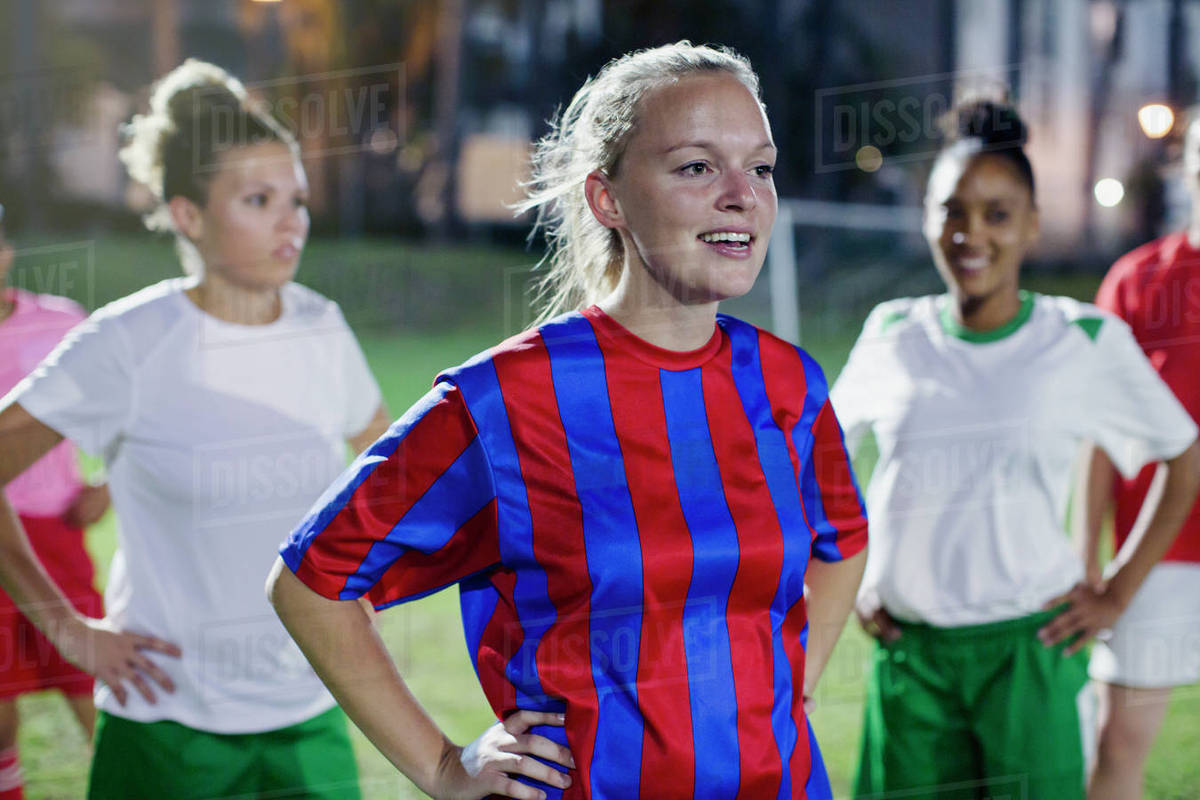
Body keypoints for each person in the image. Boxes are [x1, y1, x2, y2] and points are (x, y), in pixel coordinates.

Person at [268, 41, 868, 800]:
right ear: (606, 199)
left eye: (760, 166)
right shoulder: (507, 399)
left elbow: (843, 542)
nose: (743, 196)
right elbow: (311, 581)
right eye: (695, 166)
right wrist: (445, 767)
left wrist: (793, 689)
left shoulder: (789, 383)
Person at [0, 60, 389, 799]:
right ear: (187, 214)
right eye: (259, 199)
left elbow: (388, 475)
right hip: (166, 728)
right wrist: (69, 630)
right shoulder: (128, 342)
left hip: (311, 716)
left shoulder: (320, 325)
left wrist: (372, 581)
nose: (292, 221)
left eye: (297, 199)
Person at [831, 98, 1200, 800]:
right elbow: (820, 466)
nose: (973, 233)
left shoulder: (1081, 339)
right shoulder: (892, 332)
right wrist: (858, 577)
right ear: (927, 215)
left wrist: (1117, 591)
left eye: (997, 214)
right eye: (953, 210)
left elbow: (1184, 457)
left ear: (1031, 225)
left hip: (1030, 652)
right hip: (912, 657)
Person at [1082, 112, 1200, 800]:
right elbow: (1098, 436)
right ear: (1186, 167)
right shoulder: (1138, 283)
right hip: (1154, 556)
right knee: (1117, 745)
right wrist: (1086, 558)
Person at [0, 204, 109, 800]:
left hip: (54, 534)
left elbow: (128, 406)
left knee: (91, 680)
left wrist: (107, 484)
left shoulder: (61, 324)